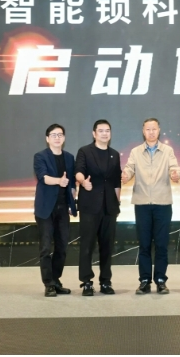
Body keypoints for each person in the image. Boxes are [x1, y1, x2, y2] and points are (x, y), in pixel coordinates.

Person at [122, 118, 180, 295]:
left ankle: (161, 280)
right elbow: (129, 168)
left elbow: (174, 168)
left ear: (159, 130)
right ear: (143, 131)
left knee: (162, 244)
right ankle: (145, 281)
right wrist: (125, 175)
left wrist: (175, 174)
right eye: (148, 129)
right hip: (142, 204)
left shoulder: (168, 151)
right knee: (144, 244)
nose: (151, 132)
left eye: (154, 129)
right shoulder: (135, 152)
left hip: (162, 203)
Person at [75, 120, 122, 296]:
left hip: (109, 207)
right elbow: (78, 171)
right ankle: (86, 282)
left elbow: (116, 181)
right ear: (94, 133)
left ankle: (105, 281)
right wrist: (82, 182)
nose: (104, 133)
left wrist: (117, 201)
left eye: (107, 130)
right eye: (101, 131)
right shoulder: (85, 151)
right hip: (90, 206)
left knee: (107, 246)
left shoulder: (114, 154)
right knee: (87, 245)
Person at [33, 124, 77, 297]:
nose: (57, 138)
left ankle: (56, 280)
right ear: (47, 138)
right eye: (53, 135)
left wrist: (72, 197)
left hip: (63, 208)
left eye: (60, 135)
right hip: (45, 209)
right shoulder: (40, 156)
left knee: (62, 247)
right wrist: (59, 181)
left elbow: (71, 182)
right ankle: (48, 284)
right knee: (45, 248)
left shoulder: (69, 157)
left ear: (64, 138)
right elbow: (43, 177)